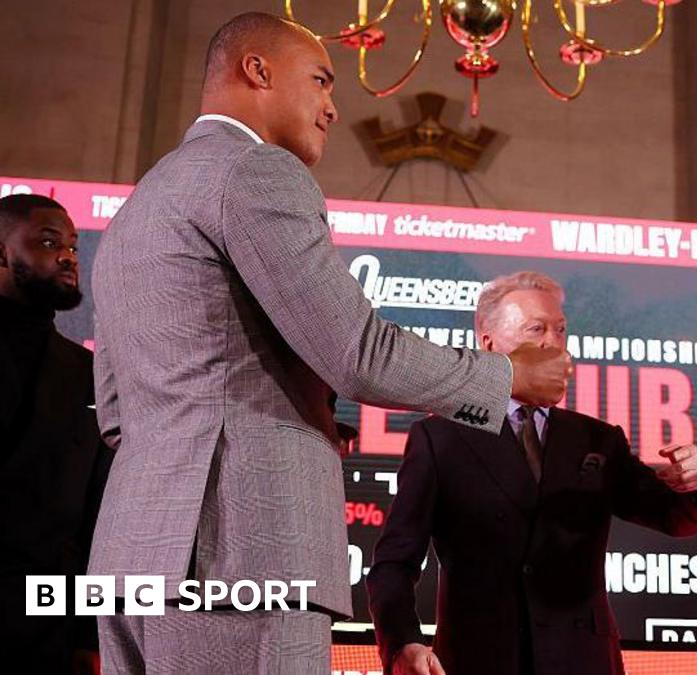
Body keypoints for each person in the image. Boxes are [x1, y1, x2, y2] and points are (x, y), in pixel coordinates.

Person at [87, 13, 570, 673]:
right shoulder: (257, 171)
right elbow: (356, 351)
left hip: (129, 557)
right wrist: (505, 376)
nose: (333, 107)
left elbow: (116, 415)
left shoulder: (137, 209)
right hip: (241, 551)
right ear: (256, 70)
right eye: (319, 81)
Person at [367, 271, 697, 675]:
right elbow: (394, 562)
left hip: (582, 662)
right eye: (537, 329)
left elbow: (674, 517)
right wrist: (401, 643)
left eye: (561, 330)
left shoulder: (597, 439)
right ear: (488, 343)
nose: (553, 342)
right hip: (480, 661)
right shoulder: (440, 438)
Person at [0, 194, 111, 674]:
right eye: (48, 242)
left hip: (47, 632)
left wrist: (88, 635)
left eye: (71, 244)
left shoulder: (90, 373)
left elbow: (99, 516)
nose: (68, 255)